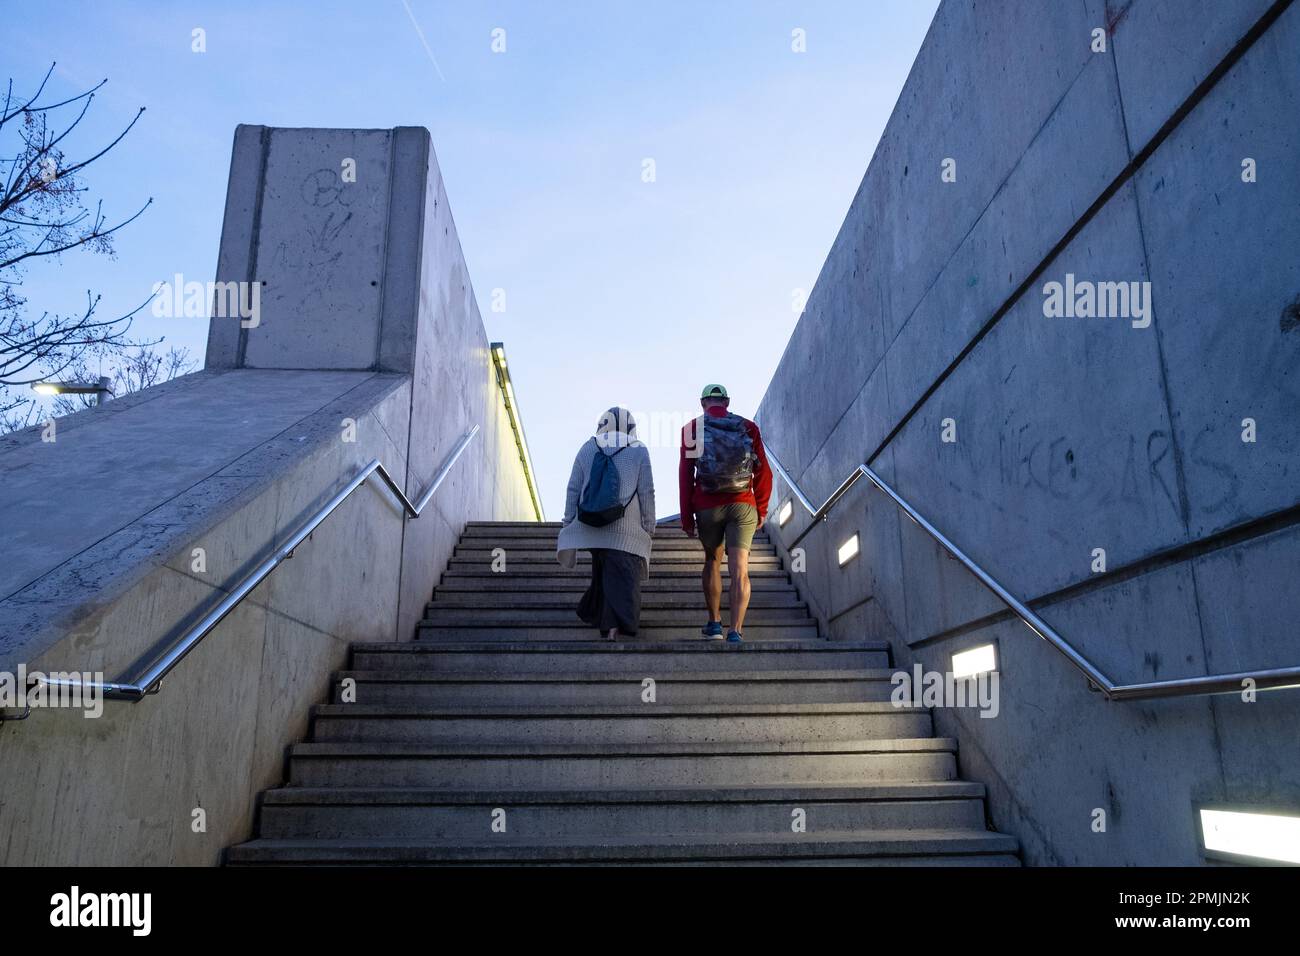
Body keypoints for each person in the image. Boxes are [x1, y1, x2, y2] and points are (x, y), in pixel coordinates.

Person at [678, 384, 771, 643]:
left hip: (707, 506)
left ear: (702, 403)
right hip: (743, 504)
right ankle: (736, 631)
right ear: (727, 402)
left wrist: (687, 519)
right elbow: (764, 472)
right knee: (740, 569)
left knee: (712, 562)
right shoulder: (748, 427)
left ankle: (715, 624)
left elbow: (686, 477)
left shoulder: (691, 429)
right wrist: (761, 509)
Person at [557, 407, 656, 640]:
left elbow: (574, 487)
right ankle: (613, 626)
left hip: (591, 524)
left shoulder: (588, 446)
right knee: (622, 574)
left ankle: (603, 620)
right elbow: (646, 491)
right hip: (626, 528)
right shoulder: (638, 448)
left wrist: (568, 520)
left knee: (603, 571)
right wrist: (649, 523)